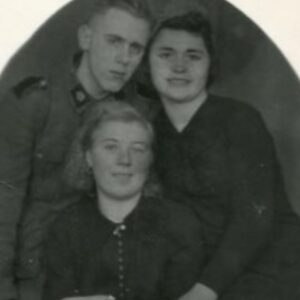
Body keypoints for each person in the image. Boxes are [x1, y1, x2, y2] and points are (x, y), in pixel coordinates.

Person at [0, 0, 153, 299]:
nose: (124, 58)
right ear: (86, 38)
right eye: (114, 41)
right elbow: (3, 205)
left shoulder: (138, 111)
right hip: (39, 272)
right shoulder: (35, 103)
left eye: (136, 48)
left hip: (107, 271)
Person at [149, 11, 300, 300]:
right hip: (201, 276)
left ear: (210, 65)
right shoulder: (149, 129)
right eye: (166, 54)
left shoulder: (240, 120)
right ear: (147, 62)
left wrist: (204, 291)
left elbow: (253, 221)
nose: (179, 66)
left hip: (269, 267)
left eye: (194, 56)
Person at [42, 100, 203, 300]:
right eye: (110, 147)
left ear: (150, 159)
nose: (124, 160)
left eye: (137, 149)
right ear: (88, 157)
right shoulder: (66, 226)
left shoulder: (179, 223)